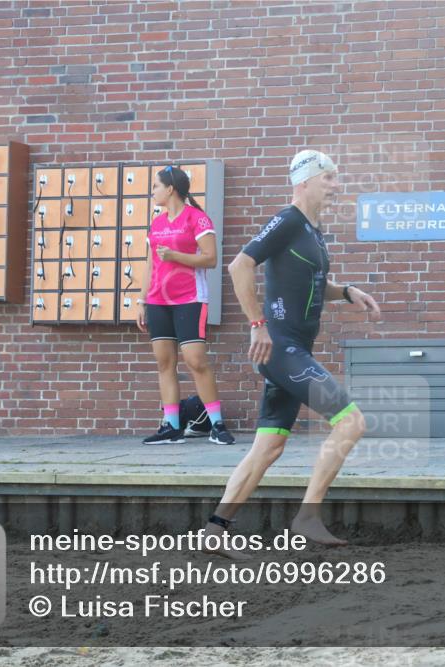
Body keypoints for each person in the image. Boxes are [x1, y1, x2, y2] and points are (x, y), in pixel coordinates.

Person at [204, 149, 381, 554]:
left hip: (291, 349)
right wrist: (256, 325)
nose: (336, 186)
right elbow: (239, 266)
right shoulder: (287, 221)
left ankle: (215, 528)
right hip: (282, 348)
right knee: (351, 422)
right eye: (329, 178)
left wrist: (348, 291)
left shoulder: (313, 231)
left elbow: (313, 285)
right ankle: (307, 517)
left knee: (269, 446)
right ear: (305, 181)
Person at [136, 165, 235, 446]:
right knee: (164, 363)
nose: (152, 191)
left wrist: (176, 255)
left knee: (196, 361)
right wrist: (142, 301)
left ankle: (216, 425)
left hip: (190, 299)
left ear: (170, 189)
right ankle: (172, 426)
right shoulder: (156, 224)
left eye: (156, 186)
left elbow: (211, 259)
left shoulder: (198, 219)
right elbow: (149, 264)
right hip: (157, 301)